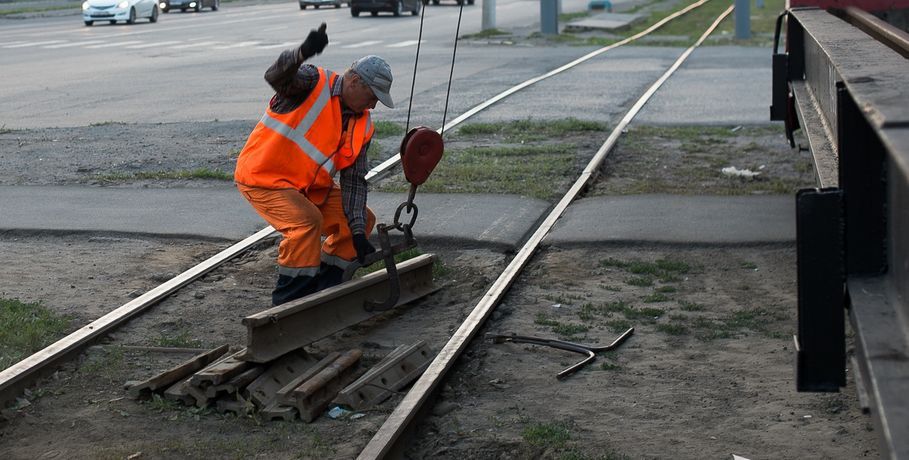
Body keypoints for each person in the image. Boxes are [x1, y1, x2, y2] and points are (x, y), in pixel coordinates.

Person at [234, 22, 395, 306]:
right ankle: (289, 304)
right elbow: (276, 76)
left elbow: (354, 181)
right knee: (306, 224)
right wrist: (302, 52)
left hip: (307, 189)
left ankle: (324, 290)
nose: (373, 107)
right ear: (355, 81)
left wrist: (357, 233)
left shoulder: (363, 124)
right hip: (264, 178)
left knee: (362, 219)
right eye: (372, 97)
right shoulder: (311, 83)